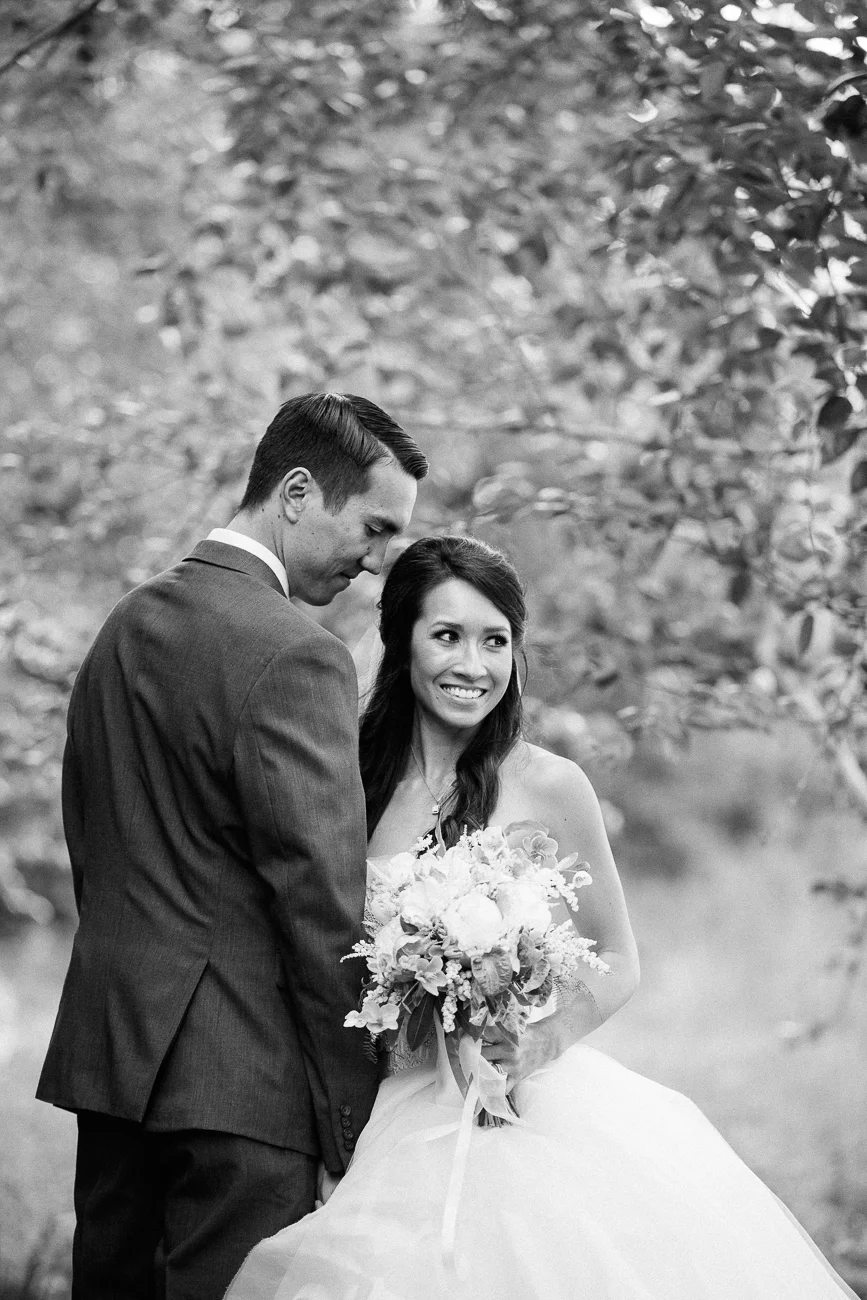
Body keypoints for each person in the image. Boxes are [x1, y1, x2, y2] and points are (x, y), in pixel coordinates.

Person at [225, 535, 857, 1300]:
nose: (473, 665)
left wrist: (535, 1042)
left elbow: (617, 958)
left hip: (526, 1106)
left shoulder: (553, 785)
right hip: (380, 1105)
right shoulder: (345, 779)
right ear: (400, 641)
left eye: (495, 640)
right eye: (447, 635)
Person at [36, 393, 427, 1299]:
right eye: (372, 528)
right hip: (244, 1094)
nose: (375, 564)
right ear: (296, 492)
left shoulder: (122, 627)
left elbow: (95, 846)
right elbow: (320, 904)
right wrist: (352, 1123)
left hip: (115, 1072)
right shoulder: (299, 655)